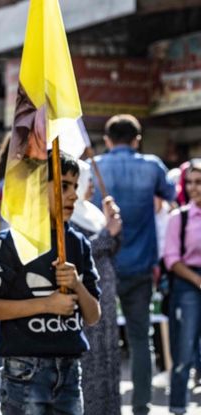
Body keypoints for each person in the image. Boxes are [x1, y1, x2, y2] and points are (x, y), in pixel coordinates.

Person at [0, 150, 101, 415]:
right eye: (63, 185)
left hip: (70, 371)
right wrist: (47, 304)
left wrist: (77, 285)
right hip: (24, 371)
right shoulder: (9, 243)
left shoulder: (78, 244)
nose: (73, 195)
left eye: (75, 186)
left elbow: (93, 316)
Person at [91, 114, 175, 415]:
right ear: (137, 139)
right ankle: (142, 405)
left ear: (108, 140)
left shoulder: (94, 168)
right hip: (140, 264)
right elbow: (171, 197)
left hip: (101, 264)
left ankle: (103, 403)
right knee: (141, 338)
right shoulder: (152, 166)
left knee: (100, 340)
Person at [71, 160, 122, 415]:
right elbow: (77, 253)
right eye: (86, 180)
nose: (91, 185)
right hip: (87, 298)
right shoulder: (69, 215)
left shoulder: (91, 212)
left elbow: (111, 246)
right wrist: (106, 234)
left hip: (106, 298)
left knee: (108, 357)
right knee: (90, 362)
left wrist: (111, 222)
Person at [164, 159, 201, 415]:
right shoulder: (180, 216)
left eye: (198, 182)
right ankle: (178, 407)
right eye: (189, 182)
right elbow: (171, 259)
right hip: (188, 284)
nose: (193, 187)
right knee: (184, 352)